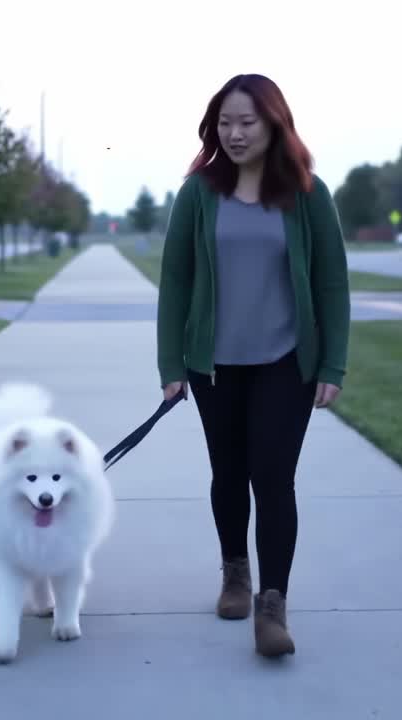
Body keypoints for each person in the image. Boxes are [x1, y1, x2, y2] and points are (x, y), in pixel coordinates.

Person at [155, 73, 350, 658]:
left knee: (274, 478)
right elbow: (176, 282)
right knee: (229, 472)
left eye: (247, 122)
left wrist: (332, 365)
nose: (235, 133)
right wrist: (172, 365)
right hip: (215, 366)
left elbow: (331, 283)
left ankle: (272, 605)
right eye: (225, 123)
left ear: (274, 124)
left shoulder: (308, 194)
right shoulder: (197, 194)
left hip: (286, 362)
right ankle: (235, 571)